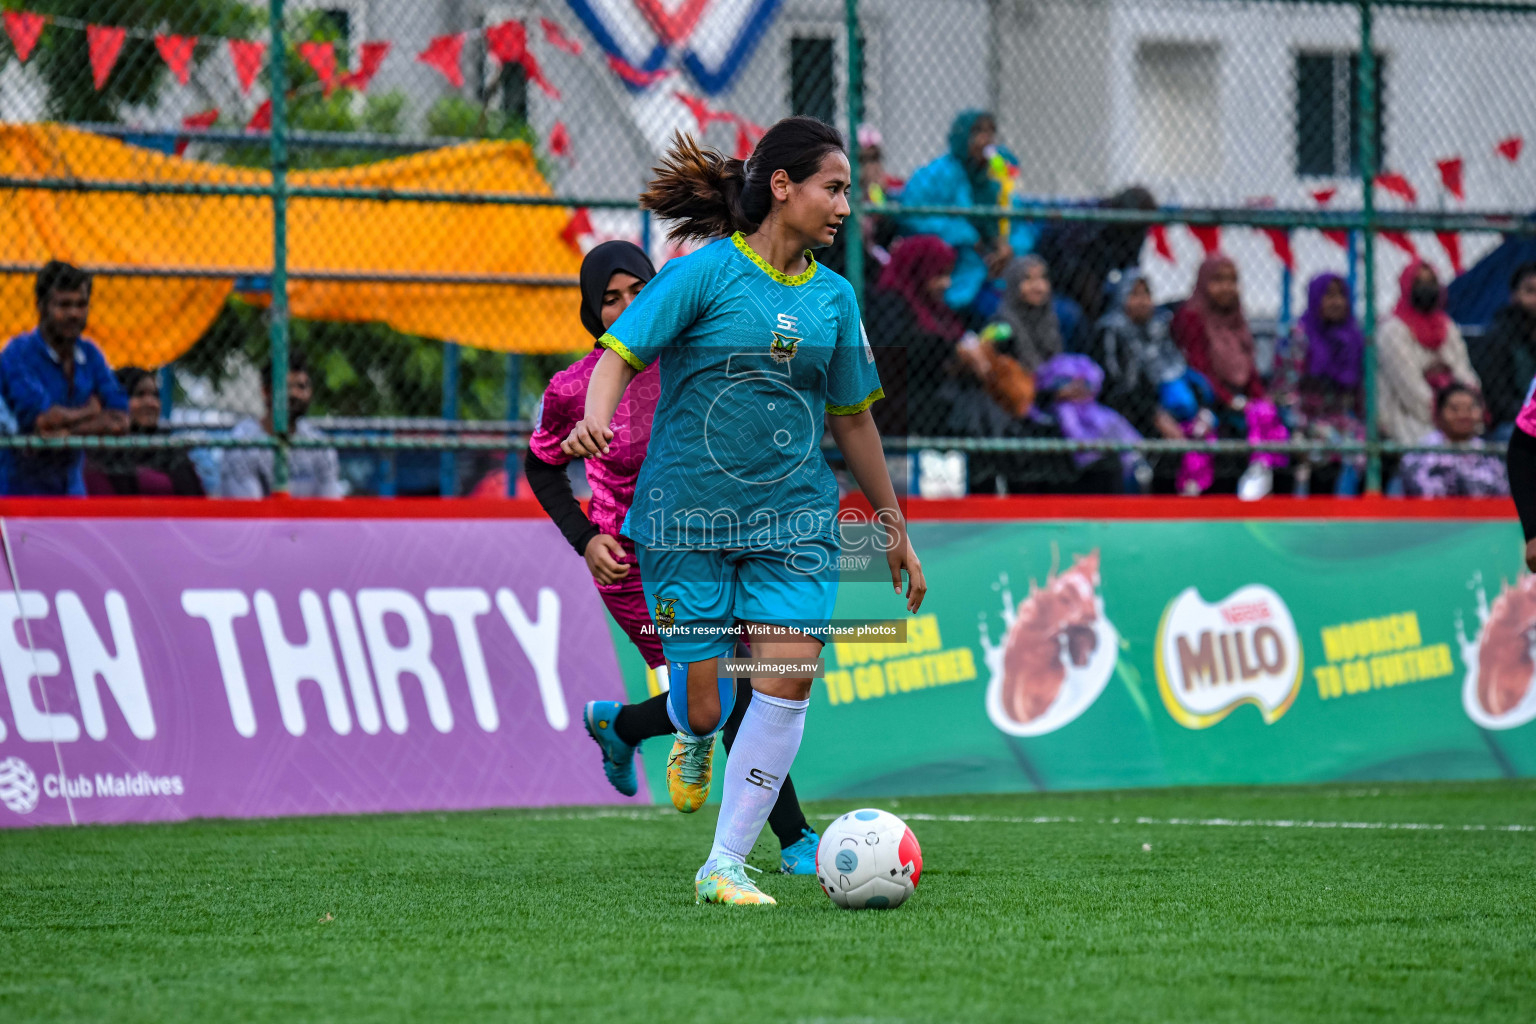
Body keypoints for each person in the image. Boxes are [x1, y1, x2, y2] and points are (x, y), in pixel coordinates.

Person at [561, 118, 926, 905]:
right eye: (834, 189)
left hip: (795, 523)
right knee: (706, 702)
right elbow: (620, 353)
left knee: (787, 679)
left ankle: (723, 863)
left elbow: (854, 419)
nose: (844, 208)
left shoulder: (835, 298)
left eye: (849, 194)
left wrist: (891, 530)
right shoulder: (705, 274)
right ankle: (681, 733)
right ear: (783, 186)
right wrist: (595, 417)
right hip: (685, 521)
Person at [527, 240, 821, 874]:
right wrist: (585, 539)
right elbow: (542, 464)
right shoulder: (575, 387)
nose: (630, 306)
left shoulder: (697, 357)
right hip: (635, 566)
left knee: (746, 681)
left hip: (722, 541)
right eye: (611, 300)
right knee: (726, 692)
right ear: (592, 314)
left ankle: (629, 727)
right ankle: (791, 835)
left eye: (639, 291)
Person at [0, 261, 128, 495]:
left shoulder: (90, 354)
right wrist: (92, 411)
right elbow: (45, 421)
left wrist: (66, 433)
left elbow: (120, 420)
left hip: (71, 491)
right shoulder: (17, 354)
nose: (74, 314)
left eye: (81, 305)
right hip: (20, 494)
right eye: (64, 305)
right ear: (41, 306)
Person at [899, 110, 1036, 317]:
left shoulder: (997, 179)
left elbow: (1019, 225)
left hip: (999, 275)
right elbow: (912, 215)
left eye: (991, 132)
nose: (986, 140)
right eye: (978, 131)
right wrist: (965, 235)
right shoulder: (937, 174)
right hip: (958, 272)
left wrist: (1009, 249)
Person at [1171, 254, 1288, 495]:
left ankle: (1259, 475)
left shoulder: (1236, 316)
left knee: (1266, 413)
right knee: (1202, 427)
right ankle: (1192, 490)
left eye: (1232, 280)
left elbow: (1249, 368)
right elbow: (1199, 367)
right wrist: (1229, 400)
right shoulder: (1192, 316)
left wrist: (1257, 397)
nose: (1226, 287)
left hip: (1238, 399)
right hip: (1205, 398)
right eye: (1218, 280)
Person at [1272, 273, 1367, 494]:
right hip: (1303, 419)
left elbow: (1360, 397)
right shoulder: (1298, 336)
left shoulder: (1354, 338)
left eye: (1341, 295)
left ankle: (1359, 516)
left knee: (1368, 447)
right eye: (1329, 296)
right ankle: (1318, 512)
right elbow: (1285, 392)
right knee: (1324, 446)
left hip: (1341, 421)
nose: (1337, 302)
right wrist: (1301, 425)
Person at [1089, 269, 1199, 443]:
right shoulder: (1111, 331)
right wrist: (1155, 415)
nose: (1142, 302)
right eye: (1134, 294)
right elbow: (1117, 384)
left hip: (1160, 405)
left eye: (1146, 293)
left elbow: (1174, 369)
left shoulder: (1156, 328)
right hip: (1126, 410)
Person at [1377, 260, 1480, 444]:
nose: (1426, 288)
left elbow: (1463, 371)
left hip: (1454, 412)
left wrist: (1468, 404)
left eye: (1431, 282)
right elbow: (1409, 387)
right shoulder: (1392, 329)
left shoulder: (1447, 326)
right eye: (1418, 282)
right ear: (1406, 286)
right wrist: (1445, 415)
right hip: (1410, 414)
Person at [219, 350, 344, 498]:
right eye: (287, 387)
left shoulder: (318, 444)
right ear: (266, 391)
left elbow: (329, 506)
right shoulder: (243, 443)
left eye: (302, 387)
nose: (295, 394)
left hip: (308, 521)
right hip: (262, 520)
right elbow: (249, 512)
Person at [1033, 186, 1157, 325]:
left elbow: (1131, 266)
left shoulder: (1135, 230)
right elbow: (1073, 262)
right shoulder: (1094, 222)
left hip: (1098, 276)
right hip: (1065, 276)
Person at [84, 367, 205, 496]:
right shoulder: (101, 453)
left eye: (155, 395)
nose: (151, 403)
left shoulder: (170, 449)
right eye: (139, 394)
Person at [1399, 384, 1508, 497]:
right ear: (1439, 414)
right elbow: (1422, 492)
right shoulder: (1421, 452)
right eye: (1454, 409)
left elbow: (1502, 492)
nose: (1463, 415)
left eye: (1470, 408)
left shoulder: (1488, 452)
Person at [1471, 261, 1536, 435]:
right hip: (1511, 422)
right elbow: (1498, 401)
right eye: (1530, 291)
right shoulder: (1499, 336)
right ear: (1514, 296)